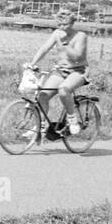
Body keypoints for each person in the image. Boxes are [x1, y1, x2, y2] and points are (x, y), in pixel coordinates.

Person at [26, 8, 89, 137]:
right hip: (61, 70)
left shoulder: (80, 36)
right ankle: (40, 126)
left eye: (64, 24)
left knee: (63, 90)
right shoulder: (57, 34)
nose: (61, 28)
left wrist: (66, 45)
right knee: (43, 95)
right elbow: (44, 49)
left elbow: (77, 57)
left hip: (78, 71)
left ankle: (72, 119)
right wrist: (32, 64)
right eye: (59, 25)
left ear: (72, 23)